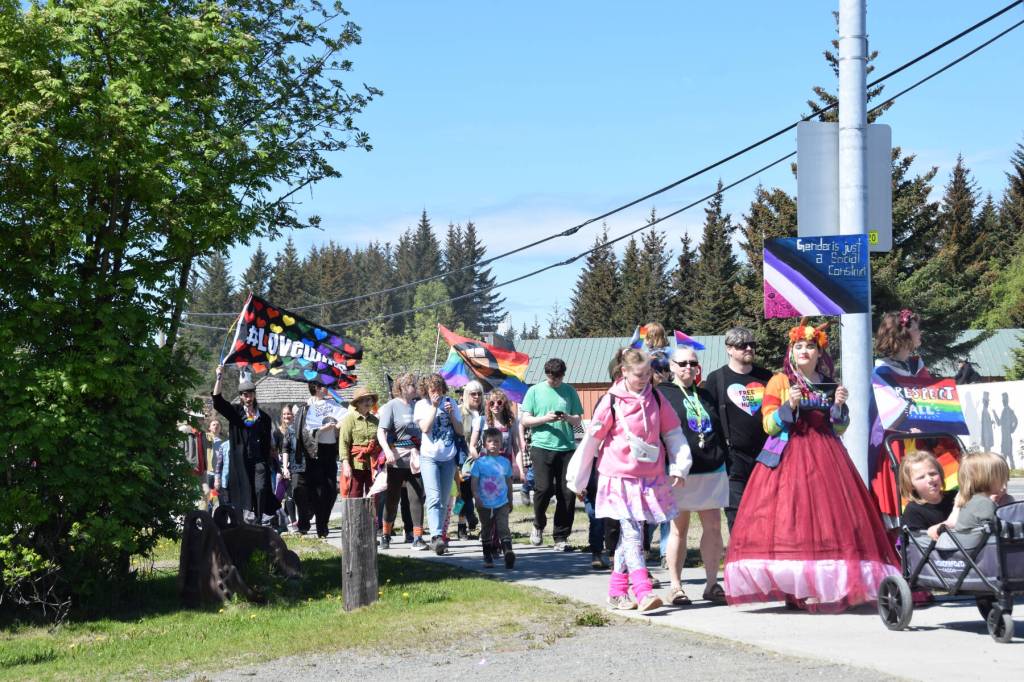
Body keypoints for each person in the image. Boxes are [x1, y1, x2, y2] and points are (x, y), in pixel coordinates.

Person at [723, 320, 900, 612]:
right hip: (788, 456)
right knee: (791, 520)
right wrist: (787, 407)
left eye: (809, 347)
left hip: (827, 457)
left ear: (820, 352)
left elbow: (839, 428)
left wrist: (840, 407)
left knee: (826, 518)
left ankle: (823, 584)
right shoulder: (780, 381)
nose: (803, 351)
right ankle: (795, 588)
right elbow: (768, 425)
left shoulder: (827, 382)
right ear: (791, 351)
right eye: (798, 346)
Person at [572, 348, 691, 612]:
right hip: (618, 478)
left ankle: (616, 592)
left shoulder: (657, 399)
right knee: (633, 534)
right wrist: (578, 479)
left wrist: (680, 466)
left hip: (649, 479)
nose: (645, 379)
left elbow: (673, 434)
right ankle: (643, 591)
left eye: (649, 373)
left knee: (632, 536)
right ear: (623, 371)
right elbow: (592, 441)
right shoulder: (611, 401)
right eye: (639, 374)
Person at [658, 345, 728, 606]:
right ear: (672, 366)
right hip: (680, 472)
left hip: (712, 468)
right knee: (679, 528)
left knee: (713, 526)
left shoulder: (706, 394)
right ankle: (676, 586)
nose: (689, 368)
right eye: (683, 363)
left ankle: (712, 584)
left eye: (693, 363)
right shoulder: (662, 394)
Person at [703, 326, 772, 531]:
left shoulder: (767, 377)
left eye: (752, 344)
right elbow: (710, 418)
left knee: (765, 511)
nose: (749, 348)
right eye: (743, 345)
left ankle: (762, 556)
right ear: (729, 349)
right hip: (733, 457)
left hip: (766, 455)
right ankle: (739, 556)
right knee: (737, 512)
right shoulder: (717, 378)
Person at [869, 309, 932, 529]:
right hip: (896, 445)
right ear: (903, 334)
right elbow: (886, 416)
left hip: (922, 440)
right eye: (916, 329)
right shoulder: (881, 370)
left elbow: (930, 401)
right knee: (901, 500)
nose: (920, 333)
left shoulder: (917, 364)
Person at [521, 358, 584, 551]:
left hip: (566, 447)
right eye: (550, 377)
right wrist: (545, 418)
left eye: (557, 377)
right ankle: (538, 524)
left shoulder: (570, 391)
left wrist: (566, 417)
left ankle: (561, 536)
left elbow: (578, 420)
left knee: (567, 493)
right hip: (541, 446)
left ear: (563, 375)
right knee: (544, 489)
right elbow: (525, 419)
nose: (554, 380)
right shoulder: (534, 391)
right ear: (546, 374)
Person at [212, 367, 279, 525]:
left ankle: (259, 519)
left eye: (250, 393)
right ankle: (243, 521)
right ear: (241, 397)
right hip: (241, 461)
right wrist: (219, 377)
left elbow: (268, 442)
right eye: (245, 394)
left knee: (261, 488)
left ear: (254, 395)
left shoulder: (264, 418)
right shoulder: (235, 413)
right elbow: (217, 400)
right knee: (245, 491)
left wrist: (274, 457)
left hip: (259, 460)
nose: (248, 397)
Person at [377, 373, 428, 550]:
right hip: (397, 458)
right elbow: (381, 432)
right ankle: (385, 534)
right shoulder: (391, 406)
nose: (414, 387)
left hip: (416, 457)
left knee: (417, 497)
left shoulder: (419, 405)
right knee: (392, 499)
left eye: (415, 384)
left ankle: (418, 537)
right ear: (401, 388)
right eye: (411, 385)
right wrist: (386, 450)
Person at [415, 373, 463, 555]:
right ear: (426, 391)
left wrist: (451, 414)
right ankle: (436, 537)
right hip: (429, 457)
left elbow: (459, 431)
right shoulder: (421, 405)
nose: (436, 393)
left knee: (443, 500)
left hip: (448, 457)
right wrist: (434, 408)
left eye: (439, 389)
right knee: (433, 498)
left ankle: (440, 534)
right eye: (432, 390)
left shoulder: (452, 403)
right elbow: (425, 428)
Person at [294, 382, 341, 538]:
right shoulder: (306, 407)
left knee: (332, 490)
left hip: (331, 451)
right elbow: (304, 433)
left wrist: (338, 427)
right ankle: (320, 527)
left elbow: (343, 420)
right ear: (316, 388)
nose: (327, 387)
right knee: (318, 492)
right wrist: (321, 430)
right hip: (315, 452)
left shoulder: (334, 404)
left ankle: (323, 522)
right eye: (324, 385)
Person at [471, 427, 516, 569]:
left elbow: (508, 482)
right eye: (490, 441)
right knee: (486, 529)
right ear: (484, 444)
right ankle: (487, 555)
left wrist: (510, 499)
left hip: (502, 502)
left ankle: (508, 551)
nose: (493, 444)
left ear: (501, 443)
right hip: (484, 503)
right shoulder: (479, 463)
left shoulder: (505, 462)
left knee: (503, 527)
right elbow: (474, 482)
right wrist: (476, 497)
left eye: (497, 441)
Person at [898, 450, 957, 533]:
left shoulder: (956, 497)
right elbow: (922, 543)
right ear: (911, 485)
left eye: (933, 473)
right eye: (921, 477)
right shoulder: (913, 511)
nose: (930, 479)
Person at [338, 387, 380, 499]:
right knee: (355, 495)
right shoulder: (349, 419)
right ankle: (355, 517)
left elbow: (380, 441)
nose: (369, 402)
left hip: (372, 463)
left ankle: (373, 517)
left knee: (374, 495)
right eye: (365, 399)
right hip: (355, 463)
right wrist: (346, 464)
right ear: (358, 403)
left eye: (370, 399)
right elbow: (344, 442)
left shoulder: (376, 421)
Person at [953, 452, 1012, 532]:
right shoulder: (984, 503)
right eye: (1002, 477)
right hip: (981, 544)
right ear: (987, 478)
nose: (1005, 481)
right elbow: (1000, 529)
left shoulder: (972, 500)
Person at [456, 380, 486, 540]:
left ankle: (479, 523)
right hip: (463, 458)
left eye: (479, 393)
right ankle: (461, 526)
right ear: (466, 395)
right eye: (473, 393)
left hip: (482, 458)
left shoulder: (484, 413)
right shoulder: (460, 412)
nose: (476, 396)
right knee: (462, 495)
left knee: (479, 493)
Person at [273, 406, 298, 531]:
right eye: (284, 414)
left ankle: (289, 520)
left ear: (293, 416)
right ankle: (280, 520)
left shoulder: (296, 430)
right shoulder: (277, 433)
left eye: (289, 414)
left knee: (292, 494)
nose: (286, 416)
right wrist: (279, 469)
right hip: (282, 467)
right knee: (281, 495)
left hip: (295, 465)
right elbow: (275, 452)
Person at [994, 393, 1017, 469]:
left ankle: (1009, 470)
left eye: (1004, 399)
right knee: (1007, 456)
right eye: (1003, 400)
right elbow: (999, 423)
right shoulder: (1004, 411)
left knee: (1008, 456)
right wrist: (994, 413)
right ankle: (1007, 470)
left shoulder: (1010, 411)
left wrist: (1012, 429)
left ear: (1007, 400)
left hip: (1007, 438)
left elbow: (1016, 421)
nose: (1003, 401)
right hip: (1004, 437)